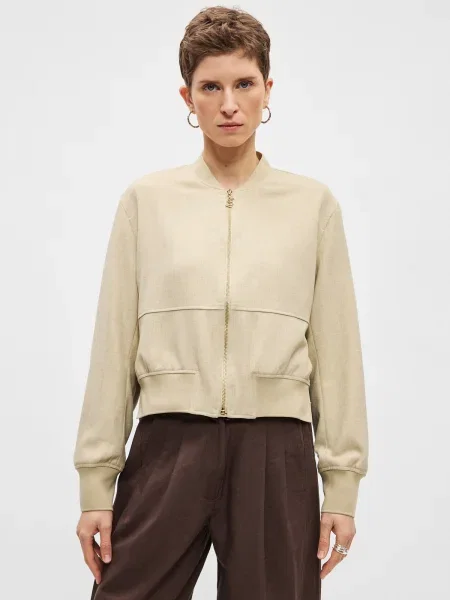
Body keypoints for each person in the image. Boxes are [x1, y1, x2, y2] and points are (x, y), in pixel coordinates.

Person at [74, 6, 369, 599]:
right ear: (188, 96)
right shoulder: (147, 202)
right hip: (168, 444)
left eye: (244, 84)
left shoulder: (312, 206)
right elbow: (114, 343)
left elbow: (336, 351)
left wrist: (341, 485)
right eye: (211, 87)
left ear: (267, 90)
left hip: (275, 451)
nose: (229, 104)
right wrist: (95, 485)